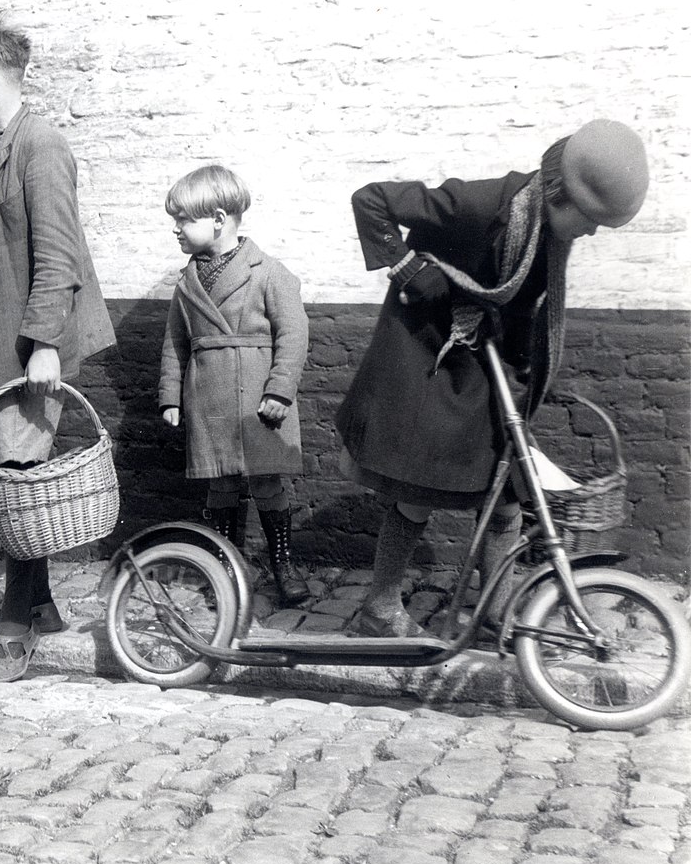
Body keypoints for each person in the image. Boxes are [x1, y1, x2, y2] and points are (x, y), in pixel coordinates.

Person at [338, 119, 649, 637]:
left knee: (506, 493)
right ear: (558, 195)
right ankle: (381, 608)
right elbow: (370, 199)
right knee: (418, 490)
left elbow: (526, 307)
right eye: (590, 220)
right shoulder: (479, 204)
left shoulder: (544, 234)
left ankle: (498, 613)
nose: (591, 232)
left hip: (484, 364)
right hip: (428, 360)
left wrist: (527, 370)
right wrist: (408, 268)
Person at [0, 19, 117, 682]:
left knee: (19, 478)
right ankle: (36, 603)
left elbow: (58, 254)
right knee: (10, 479)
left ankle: (15, 629)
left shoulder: (40, 145)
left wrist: (42, 343)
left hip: (25, 342)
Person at [158, 165, 311, 605]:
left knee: (266, 482)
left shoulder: (268, 272)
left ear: (219, 219)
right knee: (220, 482)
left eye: (185, 219)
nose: (177, 229)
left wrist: (280, 390)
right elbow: (175, 341)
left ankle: (282, 562)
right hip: (209, 397)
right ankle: (226, 565)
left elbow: (294, 333)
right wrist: (170, 396)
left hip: (259, 398)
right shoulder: (188, 281)